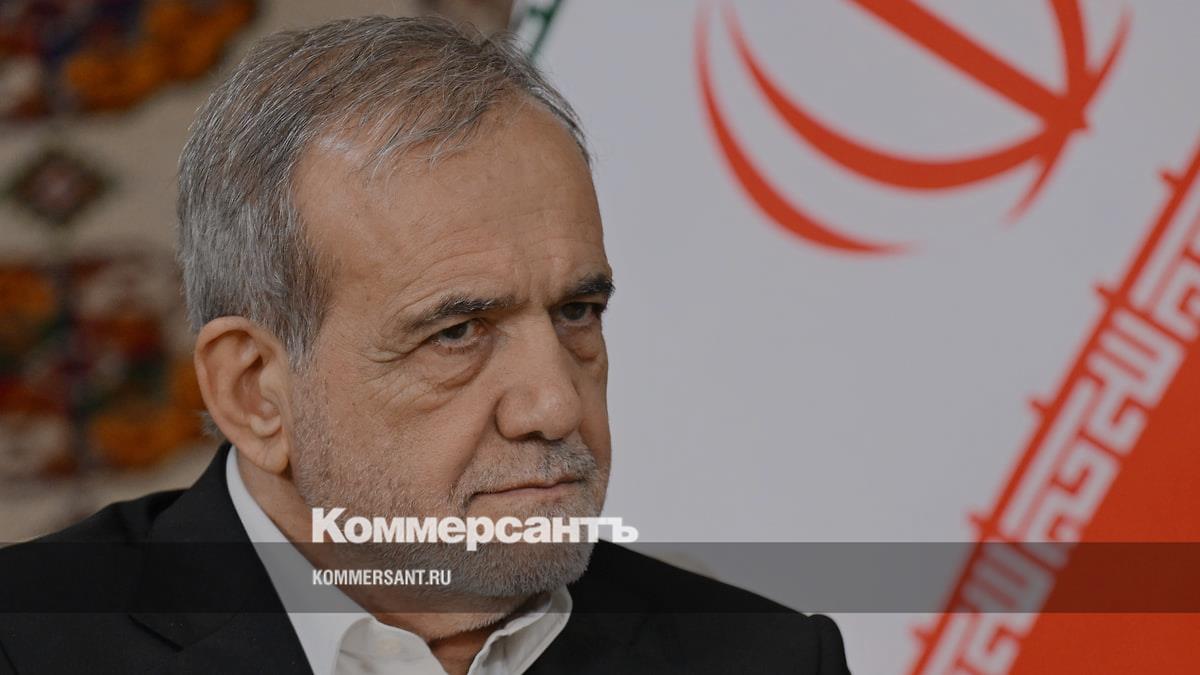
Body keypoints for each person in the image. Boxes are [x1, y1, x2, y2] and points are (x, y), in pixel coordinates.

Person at [0, 16, 850, 675]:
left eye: (576, 312)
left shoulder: (764, 657)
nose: (554, 404)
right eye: (457, 332)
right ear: (255, 391)